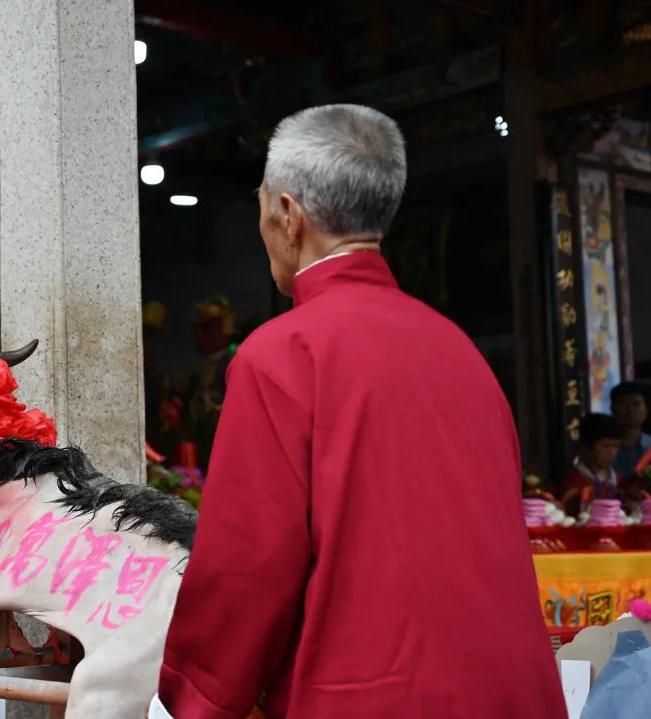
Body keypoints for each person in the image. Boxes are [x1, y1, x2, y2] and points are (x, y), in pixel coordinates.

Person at [152, 105, 564, 718]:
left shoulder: (282, 354)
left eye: (262, 205)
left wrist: (194, 695)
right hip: (513, 694)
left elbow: (248, 569)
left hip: (369, 697)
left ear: (288, 215)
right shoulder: (461, 352)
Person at [562, 413, 622, 517]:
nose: (611, 452)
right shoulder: (573, 482)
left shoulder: (621, 480)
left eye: (616, 446)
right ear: (587, 446)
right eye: (605, 446)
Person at [610, 382, 651, 478]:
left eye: (636, 404)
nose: (630, 409)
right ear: (612, 408)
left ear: (646, 410)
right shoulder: (602, 447)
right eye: (622, 403)